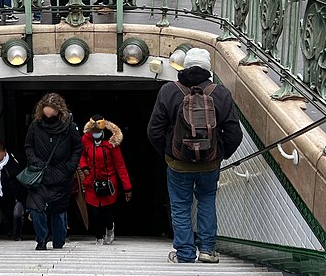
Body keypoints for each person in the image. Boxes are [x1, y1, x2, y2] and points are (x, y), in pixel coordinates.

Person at [147, 48, 243, 264]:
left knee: (180, 205)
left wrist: (169, 153)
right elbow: (234, 133)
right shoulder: (220, 93)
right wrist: (220, 154)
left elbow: (154, 131)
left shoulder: (168, 91)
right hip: (210, 163)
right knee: (206, 200)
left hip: (178, 163)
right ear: (208, 69)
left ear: (185, 66)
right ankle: (207, 250)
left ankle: (185, 254)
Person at [24, 93, 83, 250]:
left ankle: (58, 242)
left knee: (58, 210)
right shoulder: (35, 125)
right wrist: (35, 162)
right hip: (40, 174)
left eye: (52, 114)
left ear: (59, 111)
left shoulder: (69, 126)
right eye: (45, 113)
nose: (48, 116)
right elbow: (28, 146)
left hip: (61, 174)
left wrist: (69, 167)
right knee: (35, 209)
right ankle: (41, 240)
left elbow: (78, 147)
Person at [79, 114, 132, 245]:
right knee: (94, 212)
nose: (95, 133)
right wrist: (84, 167)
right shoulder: (85, 140)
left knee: (106, 212)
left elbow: (120, 166)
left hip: (108, 184)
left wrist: (127, 187)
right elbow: (82, 156)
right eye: (93, 131)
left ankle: (110, 228)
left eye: (98, 131)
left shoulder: (111, 143)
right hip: (92, 181)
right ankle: (98, 236)